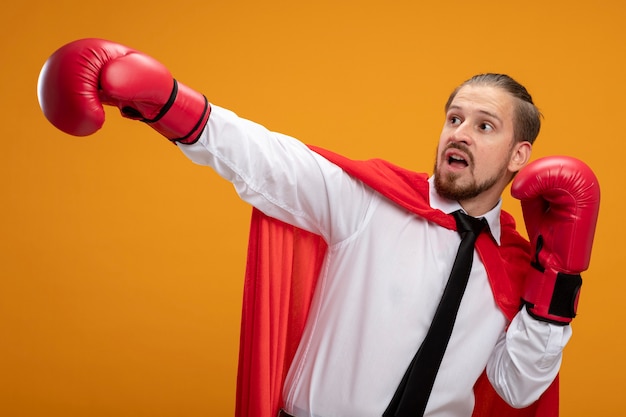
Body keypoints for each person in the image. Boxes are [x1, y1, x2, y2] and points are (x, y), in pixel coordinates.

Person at [37, 39, 600, 417]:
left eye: (484, 125)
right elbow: (268, 160)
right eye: (454, 119)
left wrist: (562, 277)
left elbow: (516, 386)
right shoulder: (370, 202)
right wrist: (168, 103)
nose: (460, 134)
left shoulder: (519, 270)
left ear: (519, 154)